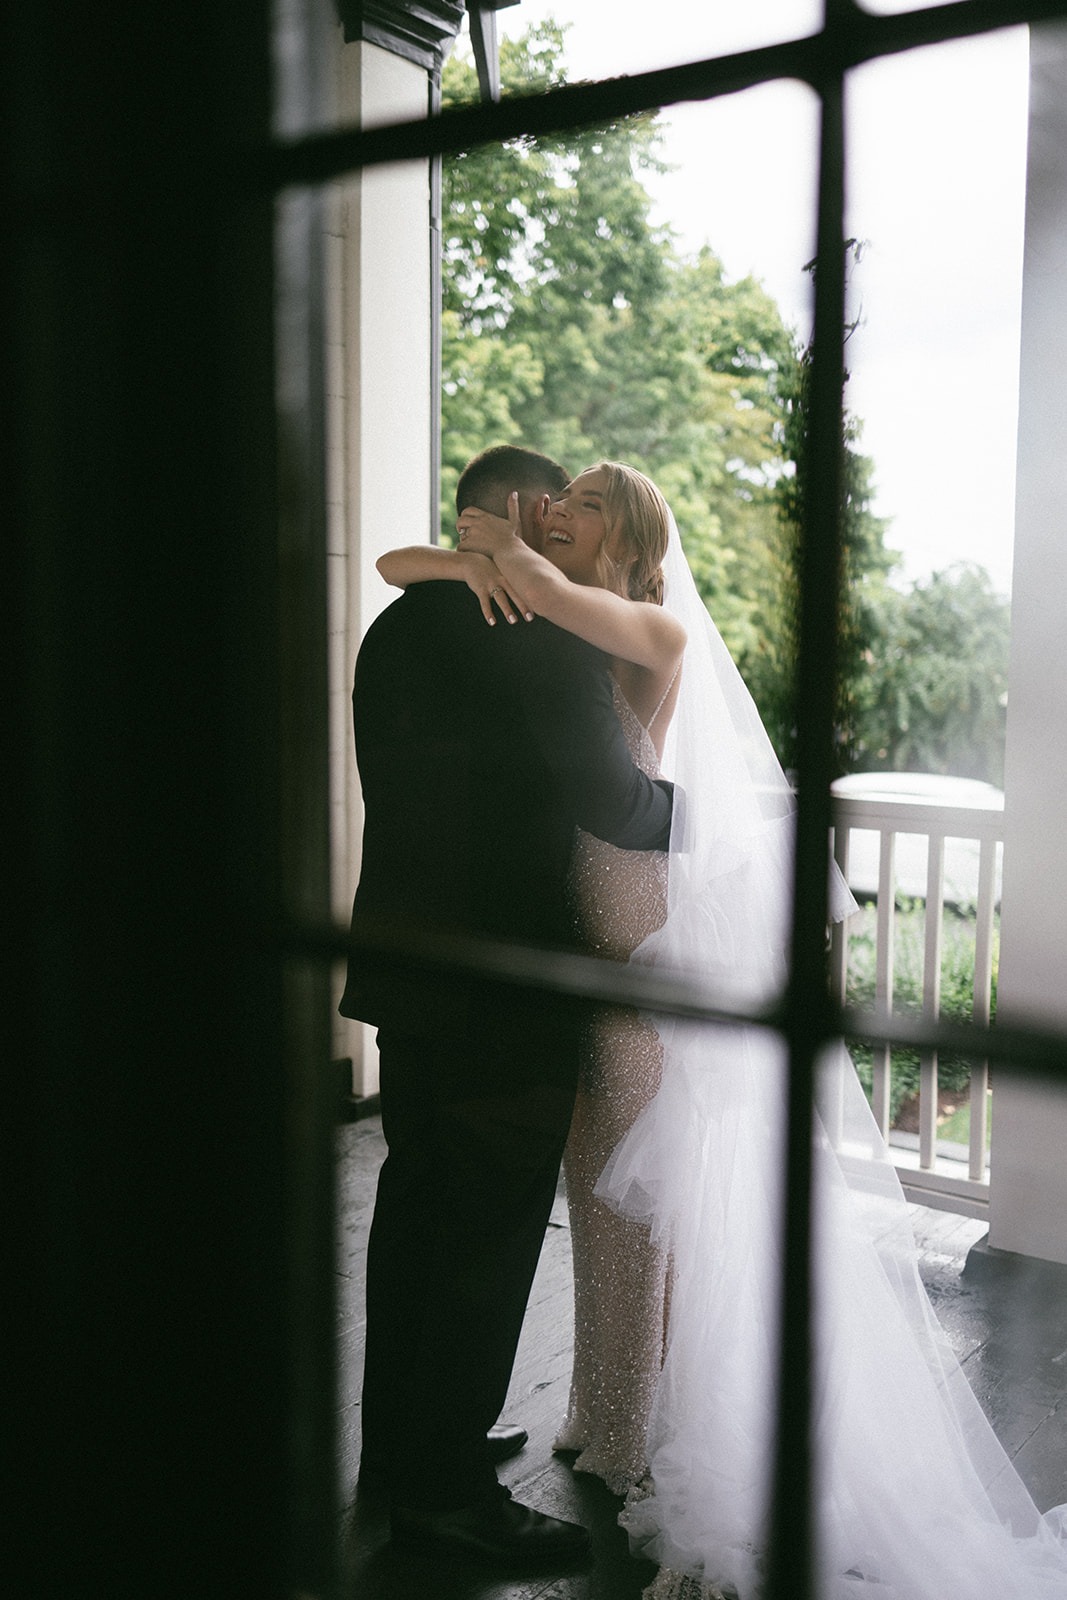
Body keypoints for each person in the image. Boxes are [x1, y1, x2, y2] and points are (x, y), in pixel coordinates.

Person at [384, 466, 1067, 1600]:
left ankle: (637, 1419)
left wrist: (497, 543)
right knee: (602, 1183)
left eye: (590, 497)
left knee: (643, 1192)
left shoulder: (637, 622)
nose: (570, 504)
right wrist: (475, 552)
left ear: (632, 532)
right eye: (568, 493)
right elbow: (397, 568)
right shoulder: (546, 599)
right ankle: (601, 1414)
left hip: (634, 922)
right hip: (579, 931)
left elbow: (540, 601)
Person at [339, 445, 675, 1570]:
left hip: (400, 969)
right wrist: (711, 815)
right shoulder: (538, 635)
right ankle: (445, 1502)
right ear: (528, 511)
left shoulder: (393, 626)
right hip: (504, 995)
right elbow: (617, 805)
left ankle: (402, 1448)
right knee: (479, 1243)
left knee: (415, 1216)